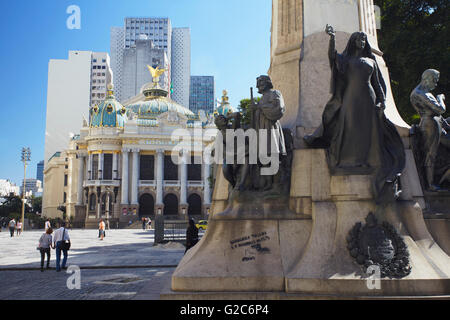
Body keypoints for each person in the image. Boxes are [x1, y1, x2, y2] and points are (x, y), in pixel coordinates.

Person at [304, 25, 405, 205]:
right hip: (351, 97)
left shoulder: (371, 61)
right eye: (359, 39)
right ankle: (351, 160)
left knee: (367, 131)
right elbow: (333, 57)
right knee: (350, 127)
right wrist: (332, 38)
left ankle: (368, 160)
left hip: (369, 98)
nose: (362, 42)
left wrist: (382, 101)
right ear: (353, 42)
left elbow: (378, 84)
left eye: (364, 40)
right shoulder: (346, 60)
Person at [410, 69, 448, 190]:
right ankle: (430, 184)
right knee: (431, 154)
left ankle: (440, 179)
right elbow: (440, 109)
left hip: (435, 123)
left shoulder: (424, 92)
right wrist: (440, 97)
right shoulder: (420, 93)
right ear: (427, 78)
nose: (436, 84)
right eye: (434, 81)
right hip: (430, 125)